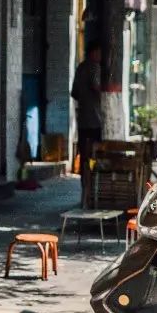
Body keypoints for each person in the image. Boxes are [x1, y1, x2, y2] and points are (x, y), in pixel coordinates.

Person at [70, 42, 103, 197]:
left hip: (82, 119)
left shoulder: (80, 67)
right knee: (95, 154)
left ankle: (85, 184)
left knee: (84, 154)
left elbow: (74, 93)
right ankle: (93, 184)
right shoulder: (94, 67)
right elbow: (97, 87)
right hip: (95, 119)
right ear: (93, 52)